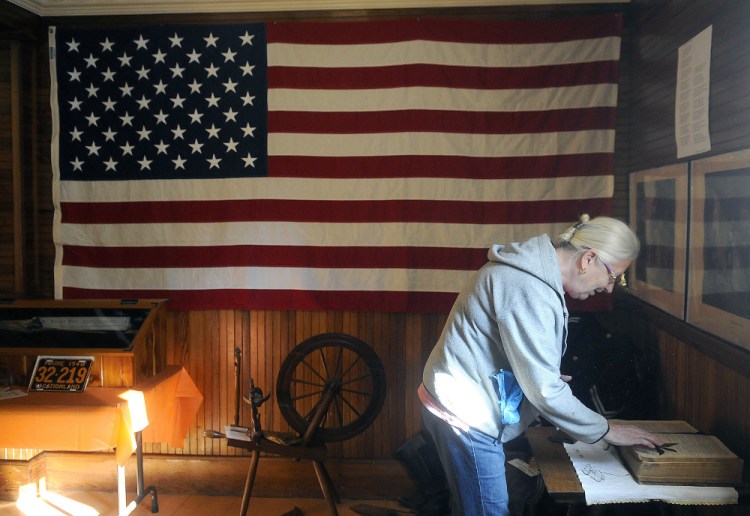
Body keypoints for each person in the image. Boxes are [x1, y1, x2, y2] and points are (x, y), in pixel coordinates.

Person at [420, 214, 663, 515]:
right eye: (614, 277)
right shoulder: (528, 286)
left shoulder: (531, 273)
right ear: (588, 258)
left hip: (453, 400)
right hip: (467, 416)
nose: (610, 289)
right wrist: (606, 430)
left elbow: (507, 348)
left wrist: (538, 371)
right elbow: (545, 393)